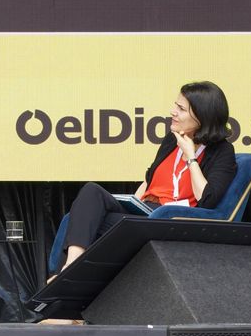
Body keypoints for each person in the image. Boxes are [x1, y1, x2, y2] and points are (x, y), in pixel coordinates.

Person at [53, 81, 237, 275]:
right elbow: (150, 180)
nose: (172, 111)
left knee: (91, 223)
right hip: (145, 210)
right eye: (175, 105)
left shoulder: (222, 151)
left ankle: (67, 277)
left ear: (202, 116)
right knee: (91, 192)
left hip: (168, 218)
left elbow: (207, 200)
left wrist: (190, 156)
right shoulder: (171, 139)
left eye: (181, 108)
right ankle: (70, 266)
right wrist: (134, 201)